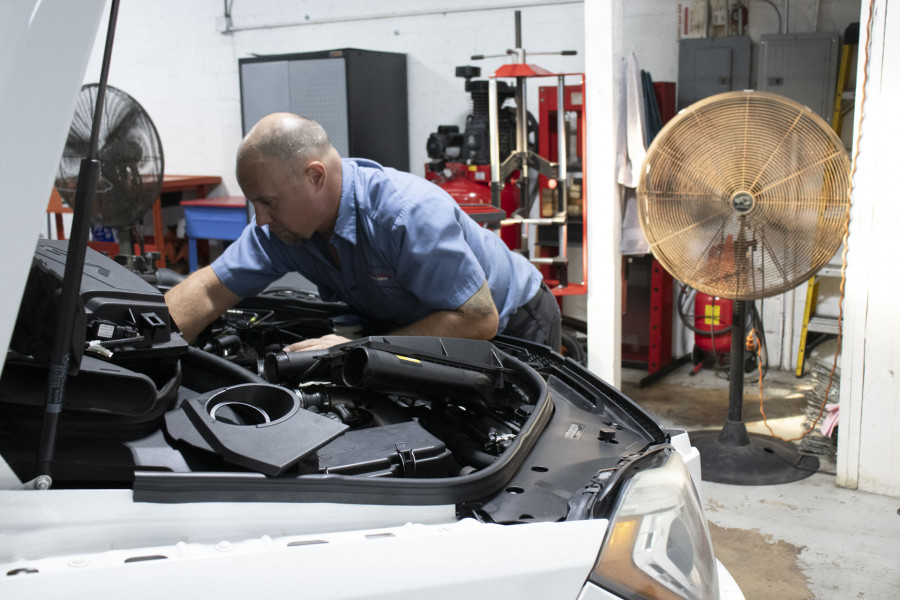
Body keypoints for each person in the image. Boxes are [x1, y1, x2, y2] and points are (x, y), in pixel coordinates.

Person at [164, 113, 561, 352]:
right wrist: (149, 338)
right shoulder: (281, 230)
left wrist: (361, 347)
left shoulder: (406, 215)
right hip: (419, 324)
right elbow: (210, 289)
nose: (261, 219)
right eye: (255, 204)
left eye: (268, 202)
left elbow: (478, 321)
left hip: (513, 319)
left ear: (315, 176)